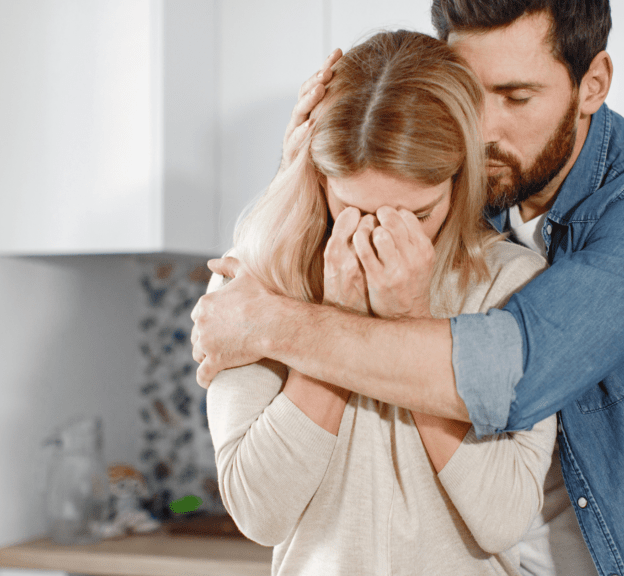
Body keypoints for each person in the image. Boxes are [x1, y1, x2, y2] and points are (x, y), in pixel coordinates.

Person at [193, 1, 624, 574]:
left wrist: (267, 323)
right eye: (469, 94)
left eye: (517, 97)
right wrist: (306, 166)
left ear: (592, 85)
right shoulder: (468, 198)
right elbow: (378, 170)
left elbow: (503, 373)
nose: (484, 129)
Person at [206, 30, 560, 575]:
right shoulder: (257, 281)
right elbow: (260, 512)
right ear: (319, 177)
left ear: (459, 179)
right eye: (353, 207)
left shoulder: (514, 284)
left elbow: (502, 517)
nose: (378, 237)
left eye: (414, 215)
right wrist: (336, 317)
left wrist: (412, 322)